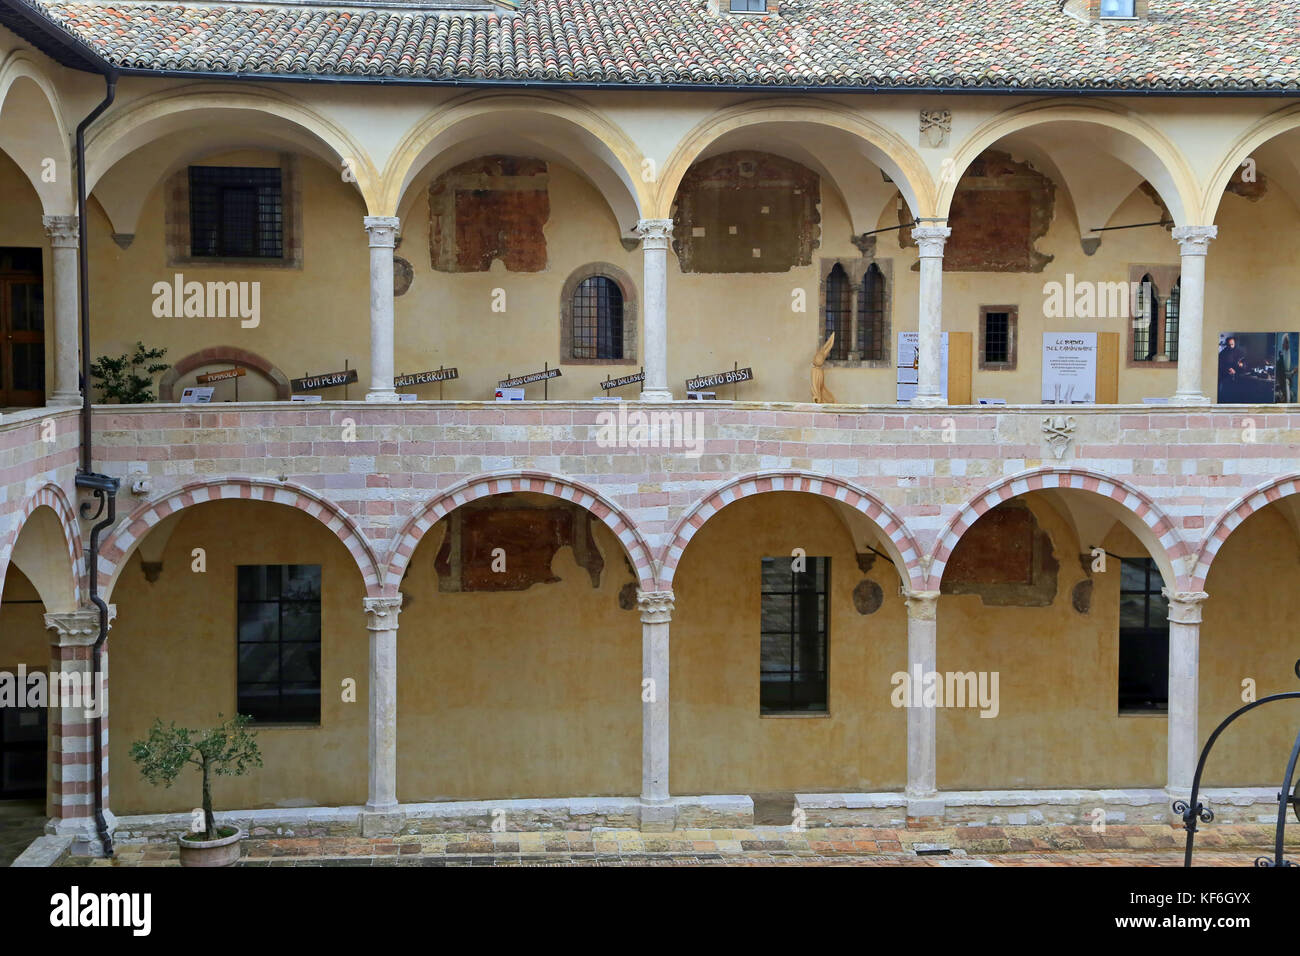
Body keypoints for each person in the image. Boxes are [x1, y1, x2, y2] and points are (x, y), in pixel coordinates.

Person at [1218, 335, 1246, 402]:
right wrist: (1228, 369)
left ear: (1235, 343)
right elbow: (1220, 365)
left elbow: (1245, 363)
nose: (1230, 346)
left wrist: (1242, 365)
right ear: (1227, 344)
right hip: (1225, 377)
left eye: (1232, 344)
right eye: (1229, 345)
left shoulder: (1240, 352)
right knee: (1225, 396)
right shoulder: (1222, 353)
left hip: (1238, 377)